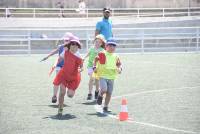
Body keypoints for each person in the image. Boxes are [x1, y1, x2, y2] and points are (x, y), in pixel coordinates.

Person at [53, 36, 83, 116]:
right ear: (70, 45)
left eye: (76, 44)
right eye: (72, 44)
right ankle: (60, 108)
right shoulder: (65, 52)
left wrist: (80, 69)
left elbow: (81, 67)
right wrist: (55, 64)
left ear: (78, 47)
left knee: (70, 95)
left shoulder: (78, 56)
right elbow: (59, 58)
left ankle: (71, 90)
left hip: (74, 77)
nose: (74, 46)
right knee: (62, 92)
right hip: (64, 75)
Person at [41, 32, 74, 103]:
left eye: (68, 40)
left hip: (67, 68)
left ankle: (61, 96)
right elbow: (54, 52)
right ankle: (54, 96)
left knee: (64, 82)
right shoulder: (61, 47)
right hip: (59, 66)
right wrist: (47, 56)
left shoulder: (73, 48)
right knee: (58, 80)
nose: (66, 41)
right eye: (65, 40)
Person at [94, 38, 122, 112]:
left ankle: (106, 106)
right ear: (106, 46)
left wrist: (120, 69)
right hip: (103, 75)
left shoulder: (116, 56)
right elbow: (96, 60)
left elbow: (119, 64)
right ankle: (100, 95)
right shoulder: (102, 53)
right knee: (104, 89)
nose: (112, 47)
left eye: (114, 46)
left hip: (112, 76)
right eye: (110, 45)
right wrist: (94, 67)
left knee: (109, 92)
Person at [83, 34, 106, 100]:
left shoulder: (102, 50)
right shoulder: (92, 48)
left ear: (102, 43)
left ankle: (96, 92)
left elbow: (104, 58)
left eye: (99, 42)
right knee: (91, 78)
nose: (97, 43)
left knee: (97, 81)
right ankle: (89, 93)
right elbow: (88, 53)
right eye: (96, 41)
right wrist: (84, 58)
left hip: (98, 67)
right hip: (90, 66)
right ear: (94, 41)